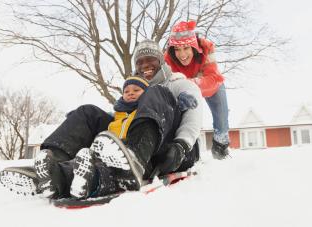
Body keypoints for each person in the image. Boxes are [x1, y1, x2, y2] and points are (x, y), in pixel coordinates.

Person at [33, 65, 202, 200]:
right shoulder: (119, 116)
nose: (131, 94)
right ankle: (53, 170)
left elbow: (191, 119)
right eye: (127, 91)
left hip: (161, 151)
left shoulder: (167, 90)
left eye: (136, 91)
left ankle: (135, 158)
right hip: (117, 157)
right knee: (87, 112)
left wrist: (181, 133)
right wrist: (79, 121)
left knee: (156, 92)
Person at [164, 20, 230, 160]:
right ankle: (187, 151)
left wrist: (188, 83)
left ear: (194, 46)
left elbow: (213, 78)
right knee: (182, 116)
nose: (182, 54)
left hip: (211, 86)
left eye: (186, 48)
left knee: (222, 122)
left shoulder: (206, 49)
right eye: (177, 49)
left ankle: (220, 151)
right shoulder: (167, 59)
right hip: (186, 92)